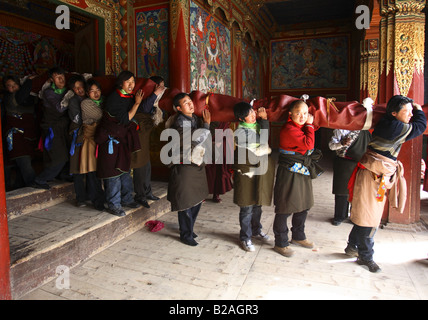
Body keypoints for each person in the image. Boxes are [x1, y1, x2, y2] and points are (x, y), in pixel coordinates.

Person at [346, 95, 426, 272]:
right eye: (407, 111)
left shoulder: (389, 122)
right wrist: (420, 112)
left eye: (411, 111)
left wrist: (414, 110)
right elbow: (420, 127)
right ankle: (365, 257)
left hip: (377, 175)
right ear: (394, 113)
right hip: (371, 176)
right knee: (369, 218)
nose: (411, 114)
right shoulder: (395, 127)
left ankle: (352, 247)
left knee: (366, 215)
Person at [273, 100, 323, 257]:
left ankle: (298, 236)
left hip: (303, 170)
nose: (302, 117)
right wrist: (309, 125)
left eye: (305, 113)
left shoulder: (300, 126)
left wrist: (310, 124)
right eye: (298, 113)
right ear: (290, 114)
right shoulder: (289, 129)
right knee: (285, 207)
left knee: (304, 204)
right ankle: (280, 243)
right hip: (290, 172)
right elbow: (308, 145)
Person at [94, 71, 142, 217]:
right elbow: (125, 119)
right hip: (110, 141)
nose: (131, 85)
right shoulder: (114, 98)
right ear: (120, 83)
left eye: (133, 82)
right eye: (128, 81)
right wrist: (137, 103)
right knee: (113, 173)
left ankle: (127, 199)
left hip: (121, 141)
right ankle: (114, 205)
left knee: (124, 170)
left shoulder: (128, 97)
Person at [166, 92, 211, 246]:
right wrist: (206, 126)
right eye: (185, 102)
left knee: (197, 199)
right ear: (178, 108)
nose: (191, 104)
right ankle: (185, 234)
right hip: (183, 166)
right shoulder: (180, 122)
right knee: (185, 201)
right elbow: (191, 140)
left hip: (196, 165)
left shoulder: (195, 119)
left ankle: (189, 228)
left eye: (190, 100)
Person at [232, 102, 275, 252]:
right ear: (242, 118)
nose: (254, 115)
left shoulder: (254, 126)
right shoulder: (241, 132)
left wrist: (261, 121)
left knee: (258, 202)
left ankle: (256, 230)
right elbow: (262, 141)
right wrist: (264, 121)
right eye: (250, 114)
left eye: (253, 112)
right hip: (245, 171)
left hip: (257, 168)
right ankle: (245, 237)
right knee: (247, 206)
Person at [31, 67, 70, 190]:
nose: (61, 79)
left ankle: (63, 175)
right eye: (57, 77)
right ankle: (40, 179)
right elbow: (60, 108)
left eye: (62, 76)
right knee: (58, 158)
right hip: (52, 129)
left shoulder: (67, 89)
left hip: (63, 129)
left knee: (67, 154)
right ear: (51, 79)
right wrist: (71, 95)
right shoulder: (49, 92)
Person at [131, 75, 166, 208]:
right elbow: (144, 110)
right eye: (160, 86)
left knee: (147, 165)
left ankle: (147, 192)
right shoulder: (143, 97)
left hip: (145, 135)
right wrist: (155, 94)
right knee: (140, 165)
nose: (163, 88)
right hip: (139, 135)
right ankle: (140, 195)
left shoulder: (157, 100)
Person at [2, 75, 38, 189]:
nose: (12, 88)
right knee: (23, 160)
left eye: (15, 85)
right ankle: (32, 184)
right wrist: (29, 81)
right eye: (9, 86)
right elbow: (21, 97)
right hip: (14, 135)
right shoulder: (9, 98)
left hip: (28, 134)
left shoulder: (29, 98)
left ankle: (20, 186)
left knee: (21, 164)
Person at [328, 129, 371, 225]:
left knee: (358, 191)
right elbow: (331, 146)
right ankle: (340, 216)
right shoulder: (340, 129)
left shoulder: (364, 130)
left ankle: (355, 216)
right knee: (341, 190)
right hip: (344, 162)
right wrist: (342, 143)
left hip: (360, 164)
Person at [75, 78, 106, 211]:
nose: (96, 93)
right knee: (93, 172)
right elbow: (101, 115)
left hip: (103, 138)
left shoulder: (103, 101)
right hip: (91, 140)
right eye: (92, 91)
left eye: (97, 90)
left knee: (103, 170)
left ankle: (103, 197)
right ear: (88, 93)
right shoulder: (86, 103)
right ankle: (96, 200)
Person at [66, 74, 88, 207]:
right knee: (77, 166)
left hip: (89, 134)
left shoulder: (91, 97)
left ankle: (92, 194)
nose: (79, 90)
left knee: (90, 167)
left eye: (81, 86)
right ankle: (80, 198)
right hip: (78, 134)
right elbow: (77, 119)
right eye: (76, 88)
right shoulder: (74, 101)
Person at [205, 121, 233, 203]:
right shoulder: (206, 116)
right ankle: (202, 194)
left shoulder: (223, 121)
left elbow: (228, 135)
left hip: (220, 150)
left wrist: (221, 143)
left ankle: (216, 194)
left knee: (218, 173)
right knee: (206, 173)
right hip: (206, 148)